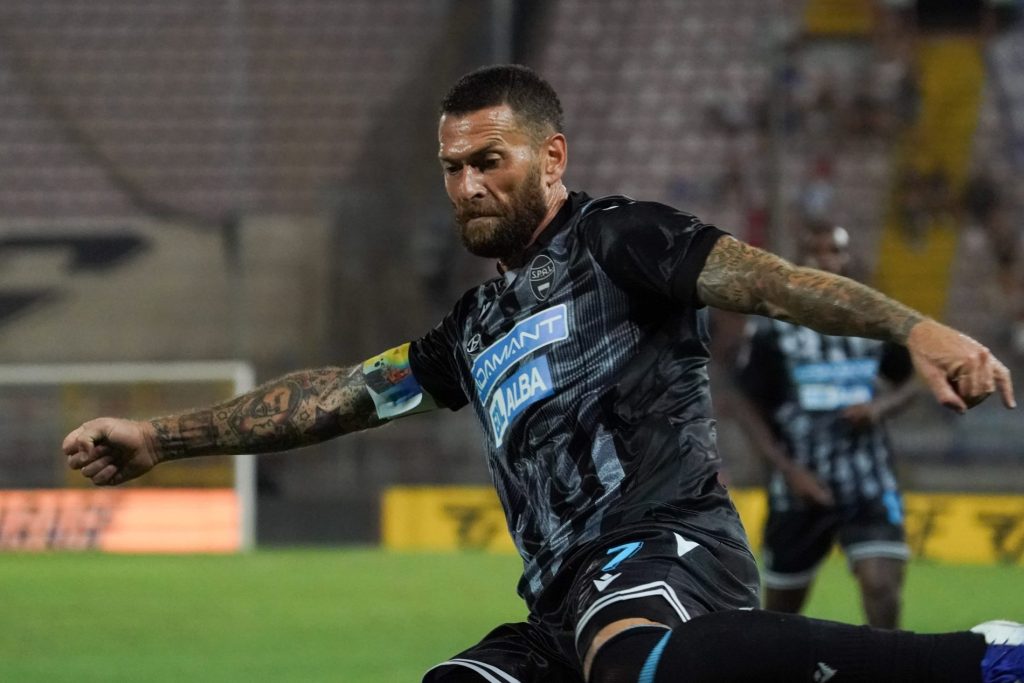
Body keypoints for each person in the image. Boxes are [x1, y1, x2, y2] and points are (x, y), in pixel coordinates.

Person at [64, 65, 1019, 683]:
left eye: (490, 161)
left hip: (665, 549)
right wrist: (160, 437)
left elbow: (767, 281)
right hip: (559, 605)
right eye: (452, 168)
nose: (468, 186)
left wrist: (915, 327)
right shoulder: (472, 328)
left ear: (551, 156)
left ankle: (980, 659)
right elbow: (340, 396)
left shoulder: (619, 239)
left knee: (630, 660)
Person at [732, 223, 918, 628]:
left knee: (881, 587)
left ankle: (885, 661)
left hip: (867, 480)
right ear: (798, 261)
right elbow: (746, 404)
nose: (825, 260)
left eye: (833, 251)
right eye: (814, 252)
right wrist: (787, 469)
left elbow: (911, 379)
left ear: (846, 258)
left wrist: (879, 408)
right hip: (800, 486)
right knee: (780, 614)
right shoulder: (773, 328)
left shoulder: (873, 318)